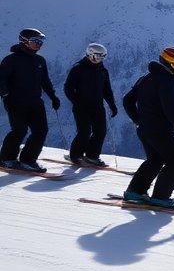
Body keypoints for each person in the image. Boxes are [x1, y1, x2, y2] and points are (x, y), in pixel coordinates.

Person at [122, 47, 174, 207]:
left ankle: (135, 192)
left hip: (144, 129)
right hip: (160, 130)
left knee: (155, 159)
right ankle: (161, 197)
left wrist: (137, 120)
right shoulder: (167, 81)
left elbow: (127, 100)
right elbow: (170, 111)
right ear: (172, 64)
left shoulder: (146, 78)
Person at [0, 28, 60, 172]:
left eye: (40, 41)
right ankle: (6, 159)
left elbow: (45, 81)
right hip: (16, 102)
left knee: (41, 130)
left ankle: (28, 160)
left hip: (35, 102)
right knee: (19, 130)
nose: (38, 44)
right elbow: (0, 80)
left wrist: (53, 96)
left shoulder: (40, 60)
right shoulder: (11, 60)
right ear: (24, 41)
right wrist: (6, 96)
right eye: (35, 41)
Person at [62, 43, 118, 166]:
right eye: (98, 57)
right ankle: (75, 156)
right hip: (81, 106)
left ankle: (92, 156)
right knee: (84, 131)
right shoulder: (78, 68)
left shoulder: (103, 71)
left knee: (100, 131)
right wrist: (76, 101)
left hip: (97, 106)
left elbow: (107, 90)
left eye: (102, 57)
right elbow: (68, 88)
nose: (100, 60)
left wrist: (112, 105)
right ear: (90, 54)